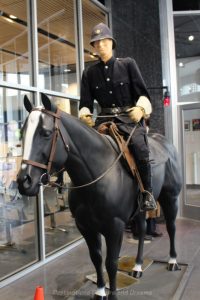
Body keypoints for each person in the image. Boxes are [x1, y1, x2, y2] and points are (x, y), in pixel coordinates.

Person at [79, 23, 157, 211]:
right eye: (96, 43)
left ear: (111, 43)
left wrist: (140, 109)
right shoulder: (89, 73)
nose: (100, 45)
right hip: (103, 121)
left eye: (104, 41)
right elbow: (85, 103)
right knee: (83, 150)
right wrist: (84, 115)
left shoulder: (128, 64)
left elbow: (144, 94)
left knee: (140, 149)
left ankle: (147, 193)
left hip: (128, 120)